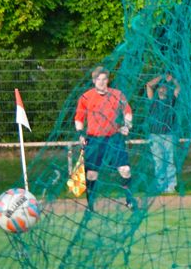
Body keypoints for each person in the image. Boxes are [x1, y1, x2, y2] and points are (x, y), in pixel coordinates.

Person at [74, 66, 136, 211]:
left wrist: (127, 125)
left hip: (114, 138)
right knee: (91, 174)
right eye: (98, 79)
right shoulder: (85, 97)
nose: (101, 82)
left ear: (107, 80)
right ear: (94, 81)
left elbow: (127, 112)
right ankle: (90, 205)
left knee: (125, 170)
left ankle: (129, 200)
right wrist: (80, 134)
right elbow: (79, 118)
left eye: (104, 79)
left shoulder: (117, 95)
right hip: (94, 140)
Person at [144, 73, 180, 194]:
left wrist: (172, 79)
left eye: (165, 87)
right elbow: (148, 85)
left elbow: (178, 88)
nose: (163, 89)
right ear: (158, 89)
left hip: (168, 135)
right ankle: (161, 186)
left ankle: (171, 186)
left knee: (169, 161)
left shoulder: (171, 100)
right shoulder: (153, 101)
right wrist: (162, 77)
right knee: (158, 162)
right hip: (154, 135)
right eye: (160, 87)